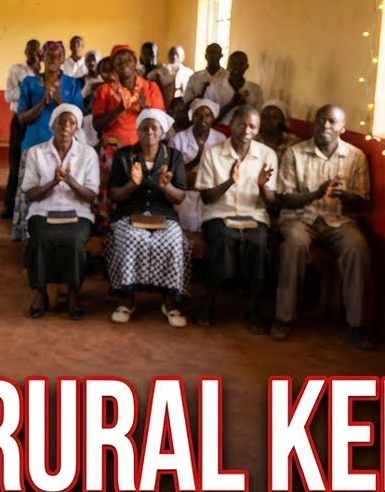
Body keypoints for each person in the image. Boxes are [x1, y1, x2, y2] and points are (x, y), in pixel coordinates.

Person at [273, 105, 374, 350]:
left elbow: (362, 201)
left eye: (332, 121)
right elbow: (284, 198)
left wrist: (345, 195)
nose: (325, 126)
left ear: (343, 128)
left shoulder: (356, 156)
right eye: (320, 120)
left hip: (337, 220)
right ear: (313, 124)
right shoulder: (294, 153)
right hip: (299, 217)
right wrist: (315, 194)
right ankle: (283, 318)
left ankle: (356, 325)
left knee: (357, 248)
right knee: (294, 246)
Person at [105, 108, 191, 327]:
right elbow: (114, 194)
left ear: (162, 131)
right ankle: (127, 301)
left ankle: (169, 303)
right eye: (145, 128)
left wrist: (166, 186)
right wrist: (131, 185)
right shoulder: (125, 156)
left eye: (155, 128)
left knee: (172, 240)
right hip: (130, 213)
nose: (150, 132)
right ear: (138, 131)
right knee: (132, 238)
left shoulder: (173, 157)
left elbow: (179, 197)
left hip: (163, 215)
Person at [195, 105, 278, 332]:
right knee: (222, 238)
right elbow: (206, 197)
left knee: (258, 243)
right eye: (241, 124)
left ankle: (253, 307)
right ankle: (208, 301)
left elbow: (270, 201)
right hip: (219, 214)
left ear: (258, 129)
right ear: (231, 124)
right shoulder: (213, 153)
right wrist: (229, 181)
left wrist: (262, 187)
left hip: (254, 215)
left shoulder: (267, 155)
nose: (246, 130)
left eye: (252, 126)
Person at [21, 104, 98, 320]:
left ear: (77, 128)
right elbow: (30, 194)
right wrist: (54, 182)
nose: (65, 126)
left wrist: (70, 181)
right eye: (61, 121)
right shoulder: (36, 153)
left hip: (77, 213)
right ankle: (40, 293)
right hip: (43, 211)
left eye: (71, 122)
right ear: (52, 124)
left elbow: (91, 196)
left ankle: (73, 292)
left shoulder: (87, 154)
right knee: (40, 237)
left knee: (74, 240)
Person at [13, 41, 85, 241]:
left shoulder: (72, 83)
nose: (54, 59)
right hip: (34, 144)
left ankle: (60, 236)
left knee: (60, 191)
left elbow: (78, 117)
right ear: (42, 58)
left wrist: (60, 102)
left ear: (63, 59)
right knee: (33, 190)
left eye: (58, 55)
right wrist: (43, 102)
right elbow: (22, 118)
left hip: (65, 147)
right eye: (49, 55)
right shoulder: (29, 82)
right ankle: (29, 234)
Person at [92, 45, 164, 230]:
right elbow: (97, 125)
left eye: (128, 59)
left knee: (139, 187)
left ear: (135, 62)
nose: (124, 63)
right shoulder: (104, 90)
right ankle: (107, 226)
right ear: (113, 66)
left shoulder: (150, 88)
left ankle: (137, 224)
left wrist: (145, 109)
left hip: (144, 149)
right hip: (112, 150)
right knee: (110, 188)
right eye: (119, 60)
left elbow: (161, 122)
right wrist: (119, 109)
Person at [169, 98, 226, 231]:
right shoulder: (178, 139)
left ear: (213, 118)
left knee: (214, 224)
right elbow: (172, 173)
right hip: (185, 192)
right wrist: (196, 160)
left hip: (212, 192)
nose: (203, 119)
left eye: (208, 115)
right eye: (198, 115)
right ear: (191, 116)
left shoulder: (221, 139)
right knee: (186, 222)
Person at [1, 39, 41, 218]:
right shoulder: (16, 70)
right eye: (30, 49)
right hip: (20, 119)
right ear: (25, 51)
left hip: (40, 121)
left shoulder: (45, 73)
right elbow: (8, 94)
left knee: (39, 165)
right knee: (15, 164)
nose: (33, 53)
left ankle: (35, 206)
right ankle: (10, 205)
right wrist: (26, 91)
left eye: (36, 50)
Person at [207, 50, 264, 124]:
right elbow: (210, 117)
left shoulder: (255, 89)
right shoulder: (214, 88)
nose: (236, 67)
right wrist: (232, 103)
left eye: (240, 64)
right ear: (228, 66)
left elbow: (259, 115)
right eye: (233, 64)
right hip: (221, 130)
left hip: (246, 130)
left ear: (246, 66)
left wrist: (246, 106)